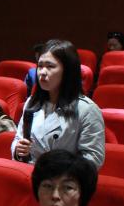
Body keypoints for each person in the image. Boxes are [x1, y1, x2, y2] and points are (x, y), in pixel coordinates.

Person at [12, 39, 106, 169]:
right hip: (30, 173)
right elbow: (18, 138)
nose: (42, 72)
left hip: (63, 178)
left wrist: (57, 169)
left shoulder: (87, 109)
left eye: (50, 66)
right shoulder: (32, 102)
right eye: (40, 66)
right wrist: (19, 151)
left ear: (67, 71)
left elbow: (93, 159)